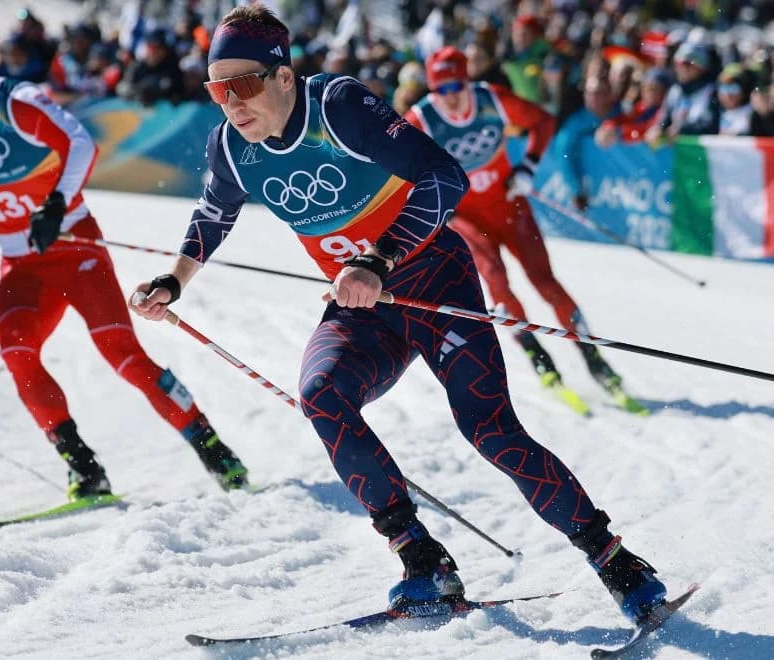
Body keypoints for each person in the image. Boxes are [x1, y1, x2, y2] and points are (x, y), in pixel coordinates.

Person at [130, 6, 670, 624]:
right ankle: (423, 561)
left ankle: (616, 561)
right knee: (321, 395)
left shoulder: (337, 108)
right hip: (363, 303)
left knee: (489, 430)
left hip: (434, 283)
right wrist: (172, 281)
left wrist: (378, 258)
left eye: (243, 84)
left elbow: (445, 176)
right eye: (217, 89)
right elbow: (213, 213)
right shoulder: (231, 143)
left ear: (283, 77)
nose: (231, 102)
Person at [0, 11, 250, 500]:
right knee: (16, 350)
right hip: (22, 263)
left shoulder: (19, 102)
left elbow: (78, 143)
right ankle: (83, 468)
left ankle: (209, 444)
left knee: (121, 355)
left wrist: (56, 202)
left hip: (76, 249)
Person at [404, 46, 639, 413]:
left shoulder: (491, 99)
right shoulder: (423, 118)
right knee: (496, 280)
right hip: (468, 218)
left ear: (468, 81)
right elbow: (395, 163)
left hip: (510, 206)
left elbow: (543, 122)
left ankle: (594, 359)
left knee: (546, 282)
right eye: (442, 91)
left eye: (456, 87)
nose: (450, 98)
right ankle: (537, 355)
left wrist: (528, 166)